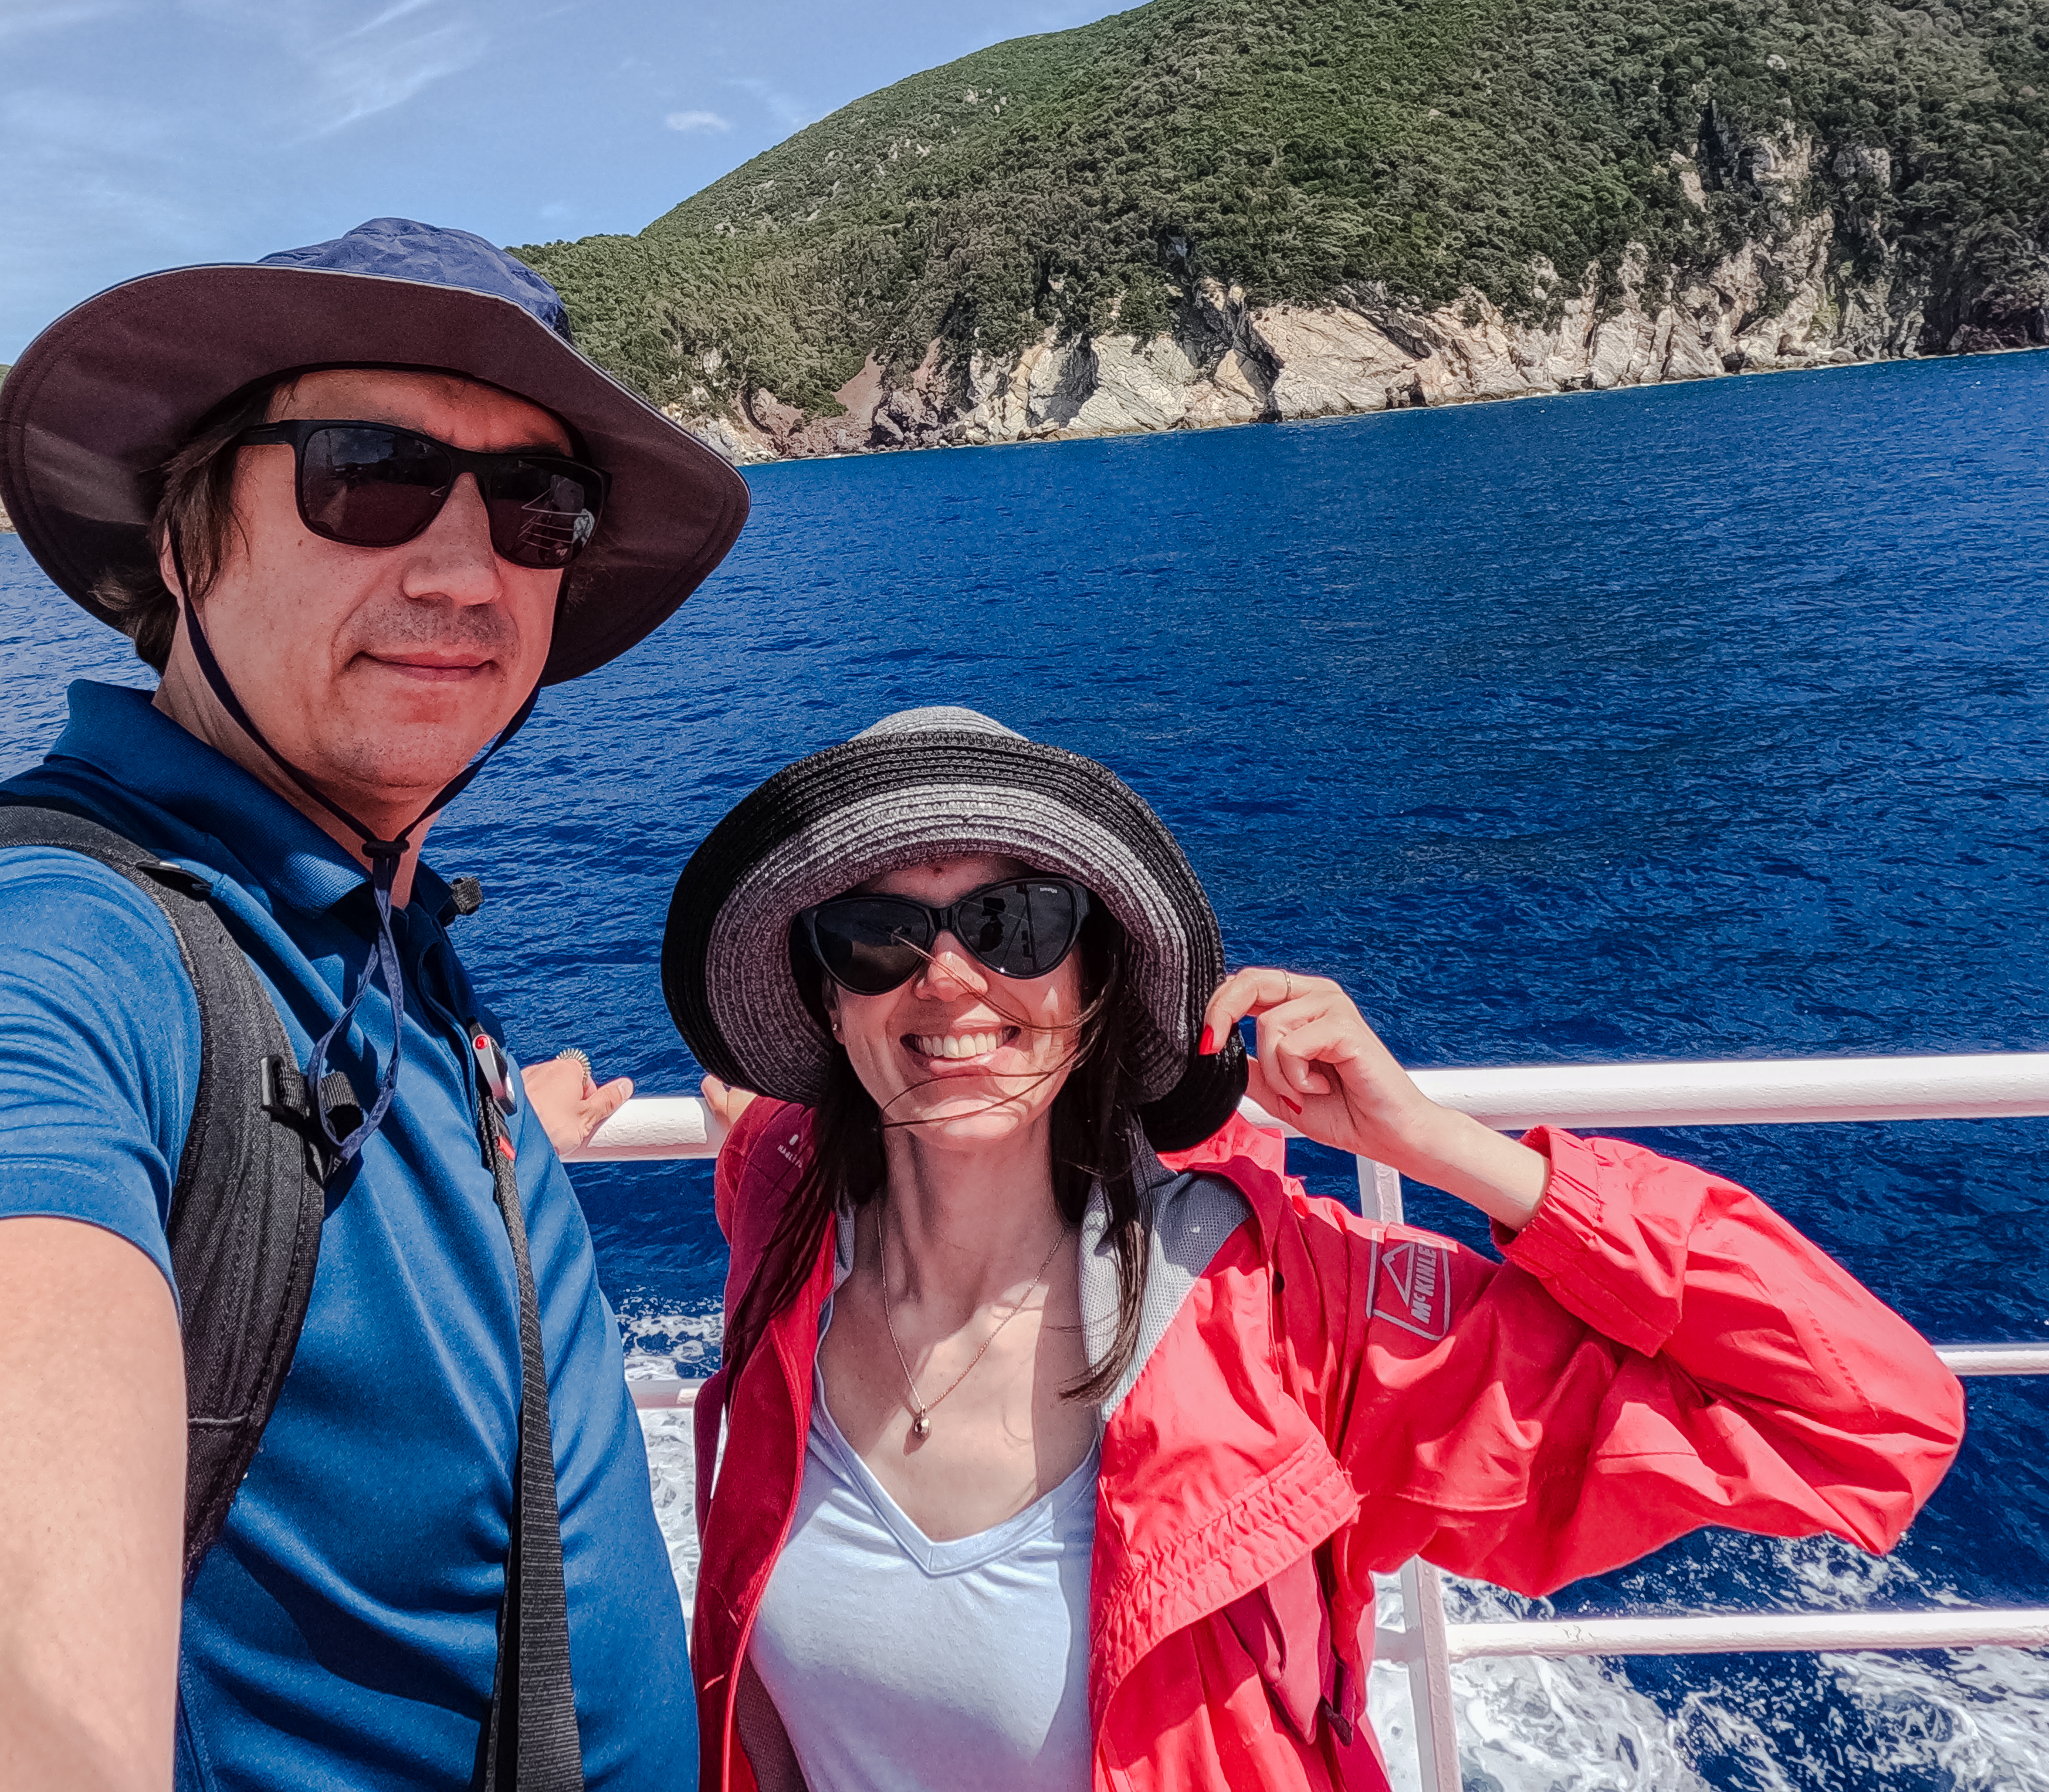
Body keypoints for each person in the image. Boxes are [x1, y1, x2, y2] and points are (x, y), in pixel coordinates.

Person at [0, 221, 750, 1792]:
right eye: (367, 476)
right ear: (185, 545)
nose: (469, 571)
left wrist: (491, 1169)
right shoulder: (29, 945)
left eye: (539, 508)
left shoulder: (352, 924)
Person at [663, 708, 1966, 1792]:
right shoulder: (785, 1226)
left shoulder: (1296, 1318)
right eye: (875, 937)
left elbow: (1865, 1419)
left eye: (1015, 926)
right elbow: (775, 1135)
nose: (946, 981)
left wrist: (1443, 1145)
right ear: (829, 1001)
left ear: (1098, 981)